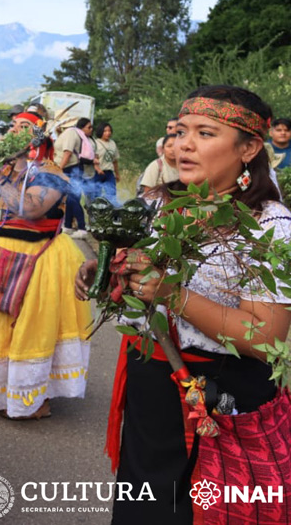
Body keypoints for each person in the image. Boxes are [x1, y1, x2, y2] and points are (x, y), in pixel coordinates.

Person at [75, 85, 291, 523]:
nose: (183, 145)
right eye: (179, 132)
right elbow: (136, 289)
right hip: (152, 388)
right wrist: (105, 275)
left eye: (205, 133)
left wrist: (173, 294)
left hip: (219, 395)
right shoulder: (157, 204)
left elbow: (266, 335)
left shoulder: (268, 225)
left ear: (248, 148)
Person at [0, 110, 90, 419]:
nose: (13, 132)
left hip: (42, 259)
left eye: (24, 127)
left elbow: (31, 208)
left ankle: (34, 397)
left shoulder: (51, 172)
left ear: (38, 135)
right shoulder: (2, 167)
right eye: (12, 126)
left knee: (34, 329)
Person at [53, 117, 94, 235]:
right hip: (72, 168)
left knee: (72, 198)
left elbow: (67, 152)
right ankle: (68, 226)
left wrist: (59, 169)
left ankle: (82, 227)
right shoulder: (73, 133)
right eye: (89, 127)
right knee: (70, 199)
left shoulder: (71, 133)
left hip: (71, 168)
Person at [93, 121, 120, 204]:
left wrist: (117, 173)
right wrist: (97, 169)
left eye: (109, 131)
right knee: (97, 195)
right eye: (105, 131)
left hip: (109, 172)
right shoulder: (95, 143)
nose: (108, 133)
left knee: (111, 194)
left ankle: (111, 212)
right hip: (98, 173)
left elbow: (115, 160)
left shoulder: (112, 143)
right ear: (100, 132)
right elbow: (93, 159)